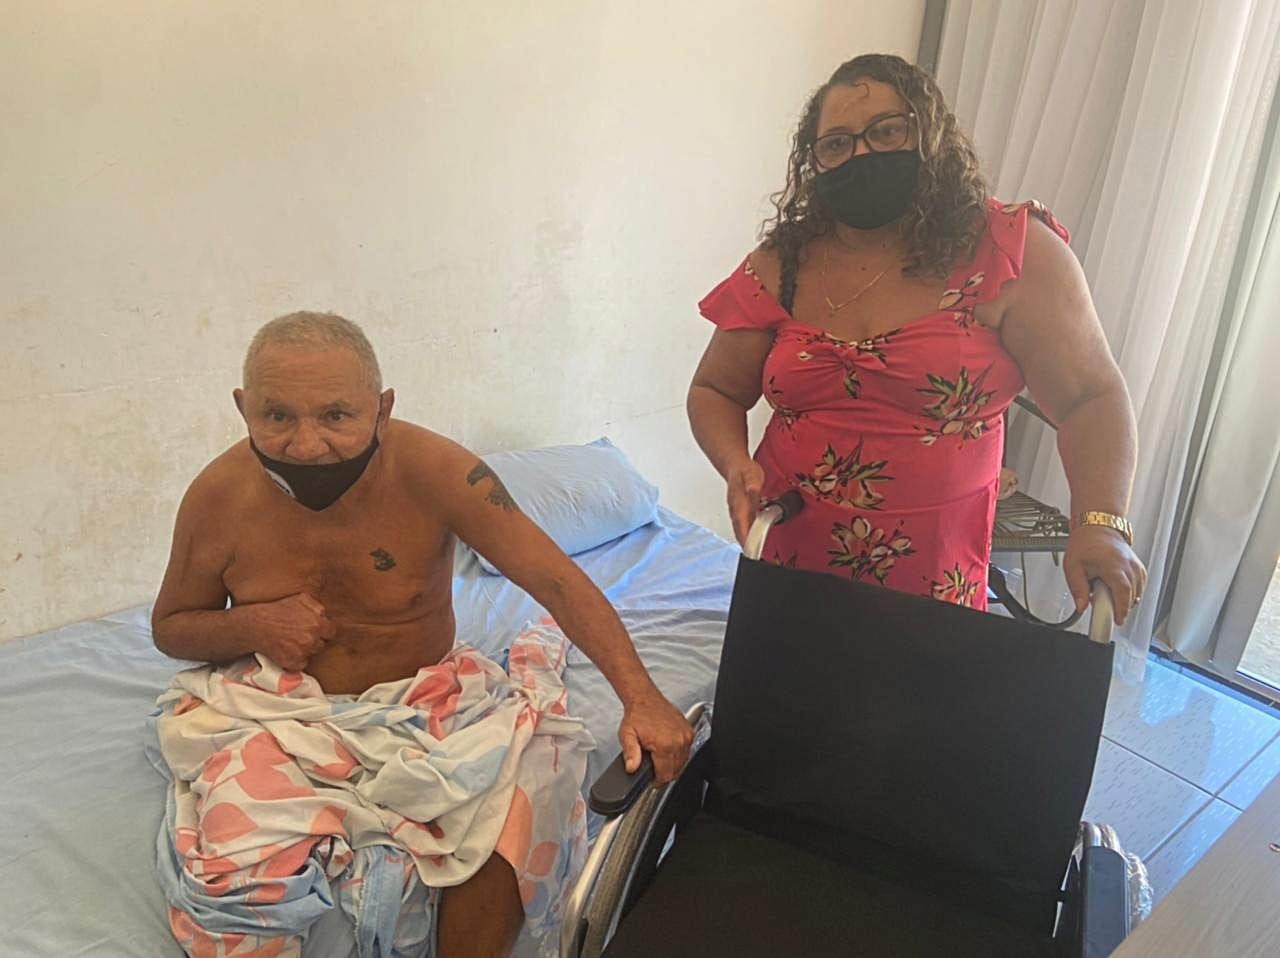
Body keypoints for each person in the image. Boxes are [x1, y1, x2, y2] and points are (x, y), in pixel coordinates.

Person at [150, 311, 692, 958]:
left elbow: (555, 579)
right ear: (243, 409)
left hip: (430, 702)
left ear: (382, 409)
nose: (306, 445)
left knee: (527, 801)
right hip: (278, 712)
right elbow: (172, 627)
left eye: (336, 416)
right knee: (235, 881)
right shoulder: (217, 498)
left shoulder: (438, 472)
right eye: (277, 416)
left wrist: (642, 698)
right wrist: (252, 624)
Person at [688, 53, 1147, 624]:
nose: (861, 155)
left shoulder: (1011, 252)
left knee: (921, 683)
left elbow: (1092, 398)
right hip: (789, 554)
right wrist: (735, 464)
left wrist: (1101, 522)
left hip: (934, 578)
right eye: (837, 144)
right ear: (814, 161)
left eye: (886, 131)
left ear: (931, 135)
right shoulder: (782, 263)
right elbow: (715, 389)